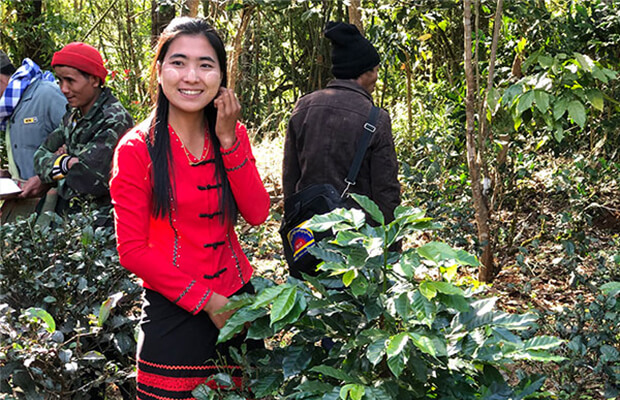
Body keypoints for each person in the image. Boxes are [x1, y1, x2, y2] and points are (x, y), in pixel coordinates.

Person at [110, 17, 270, 398]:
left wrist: (229, 140)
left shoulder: (232, 132)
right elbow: (132, 251)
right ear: (160, 69)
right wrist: (209, 300)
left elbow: (257, 213)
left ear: (221, 75)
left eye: (205, 64)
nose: (191, 76)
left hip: (239, 301)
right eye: (179, 62)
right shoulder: (136, 149)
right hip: (175, 306)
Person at [283, 21, 400, 229]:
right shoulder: (376, 118)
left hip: (310, 231)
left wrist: (294, 229)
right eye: (375, 69)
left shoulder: (303, 107)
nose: (376, 76)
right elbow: (385, 192)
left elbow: (290, 179)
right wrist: (390, 249)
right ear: (366, 73)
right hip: (358, 237)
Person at [32, 42, 133, 220]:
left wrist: (56, 168)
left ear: (94, 80)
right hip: (68, 220)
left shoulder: (113, 119)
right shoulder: (73, 114)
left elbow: (87, 181)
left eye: (70, 80)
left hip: (100, 225)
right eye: (60, 80)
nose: (63, 89)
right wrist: (67, 163)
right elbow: (40, 156)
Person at [0, 50, 67, 223]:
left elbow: (79, 142)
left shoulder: (46, 94)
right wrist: (8, 175)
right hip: (24, 207)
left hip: (55, 207)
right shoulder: (9, 107)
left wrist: (45, 179)